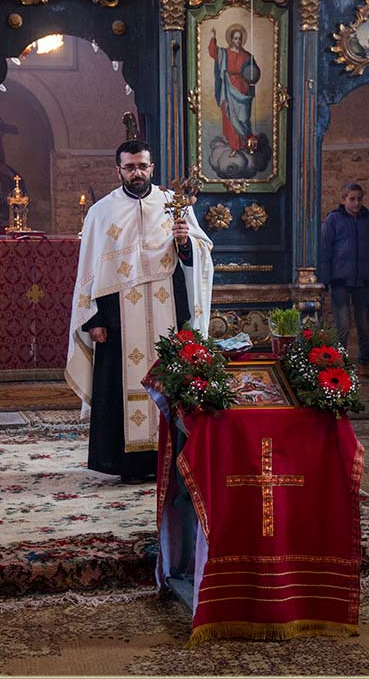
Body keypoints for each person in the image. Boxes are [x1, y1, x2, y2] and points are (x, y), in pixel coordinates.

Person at [66, 140, 213, 483]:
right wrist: (95, 321)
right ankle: (127, 465)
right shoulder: (102, 212)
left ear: (152, 168)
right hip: (118, 319)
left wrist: (184, 243)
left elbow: (199, 255)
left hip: (168, 311)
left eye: (142, 166)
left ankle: (170, 462)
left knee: (171, 383)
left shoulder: (174, 205)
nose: (137, 173)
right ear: (118, 170)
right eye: (130, 167)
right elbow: (89, 273)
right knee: (118, 389)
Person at [319, 182, 369, 377]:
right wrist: (324, 280)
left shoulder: (368, 221)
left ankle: (365, 361)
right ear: (344, 200)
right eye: (352, 199)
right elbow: (325, 251)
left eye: (359, 199)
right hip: (340, 281)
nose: (356, 203)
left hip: (363, 281)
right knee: (342, 326)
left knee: (364, 325)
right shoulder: (333, 220)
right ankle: (339, 364)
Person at [208, 24, 260, 156]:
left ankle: (244, 144)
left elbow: (254, 73)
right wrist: (213, 38)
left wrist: (250, 79)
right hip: (228, 88)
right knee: (229, 116)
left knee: (243, 118)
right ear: (231, 39)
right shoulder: (224, 53)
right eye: (235, 38)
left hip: (242, 89)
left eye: (240, 39)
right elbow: (213, 52)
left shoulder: (247, 56)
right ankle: (234, 146)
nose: (238, 41)